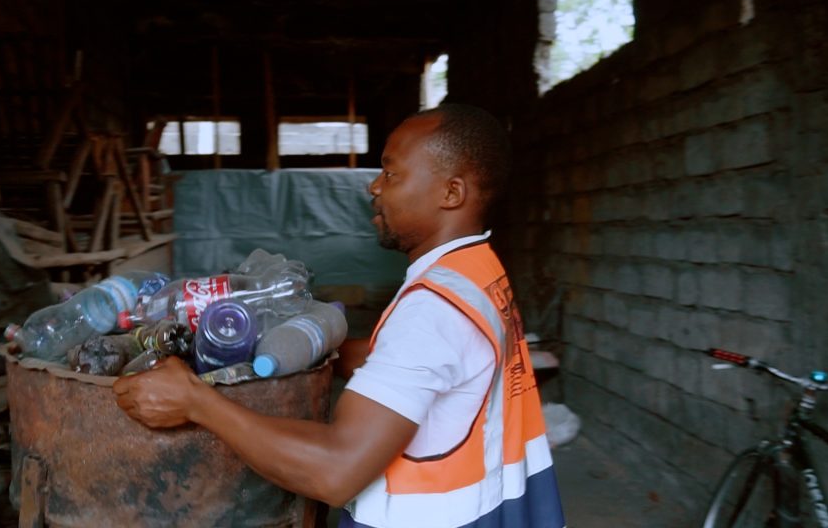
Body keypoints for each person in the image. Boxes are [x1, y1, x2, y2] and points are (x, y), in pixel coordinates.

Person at [114, 103, 565, 528]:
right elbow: (449, 364)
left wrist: (197, 401)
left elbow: (336, 471)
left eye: (391, 173)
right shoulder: (478, 270)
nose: (374, 186)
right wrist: (328, 349)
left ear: (451, 192)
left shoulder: (432, 309)